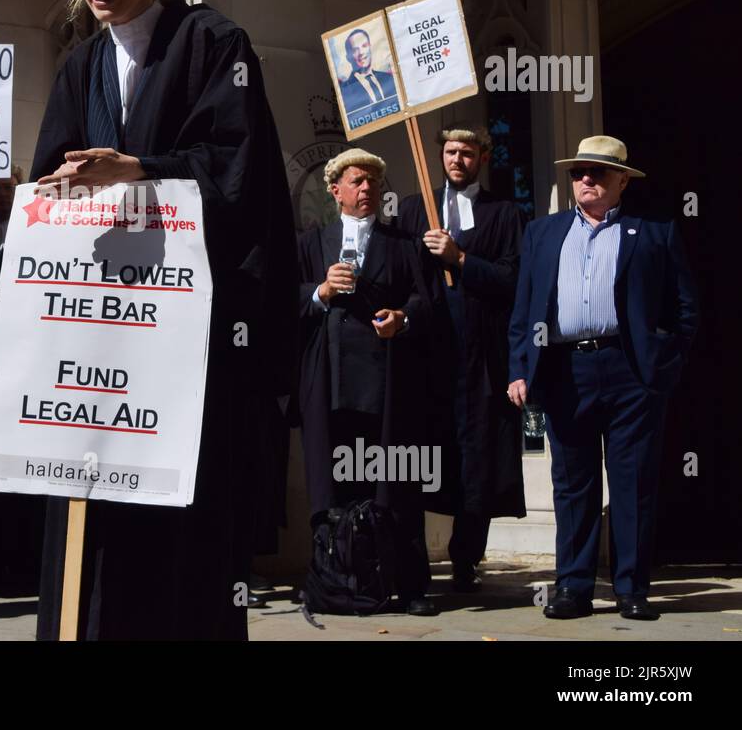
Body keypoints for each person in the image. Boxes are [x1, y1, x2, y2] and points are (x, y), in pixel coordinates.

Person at [31, 0, 297, 639]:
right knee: (93, 523)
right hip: (95, 342)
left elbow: (239, 173)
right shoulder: (80, 67)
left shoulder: (214, 44)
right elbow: (48, 176)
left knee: (179, 527)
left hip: (184, 343)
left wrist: (143, 170)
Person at [509, 136, 697, 621]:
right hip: (564, 368)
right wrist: (519, 368)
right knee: (572, 483)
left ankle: (631, 588)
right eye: (578, 172)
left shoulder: (654, 232)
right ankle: (572, 586)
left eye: (596, 172)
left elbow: (684, 310)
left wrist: (662, 367)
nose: (585, 180)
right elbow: (524, 308)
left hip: (630, 372)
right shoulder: (542, 233)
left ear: (621, 181)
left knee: (632, 481)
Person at [298, 149, 440, 616]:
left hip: (386, 382)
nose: (367, 189)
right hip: (330, 381)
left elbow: (427, 300)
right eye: (357, 181)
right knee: (334, 487)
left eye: (374, 183)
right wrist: (320, 292)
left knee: (395, 480)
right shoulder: (313, 243)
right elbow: (284, 302)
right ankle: (336, 583)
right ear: (334, 189)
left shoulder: (402, 243)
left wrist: (403, 317)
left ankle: (412, 586)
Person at [398, 128, 526, 591]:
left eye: (467, 153)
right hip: (427, 357)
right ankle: (409, 561)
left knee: (479, 460)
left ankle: (466, 557)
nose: (457, 159)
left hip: (482, 360)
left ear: (483, 158)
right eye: (450, 151)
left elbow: (515, 279)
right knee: (422, 456)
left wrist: (462, 258)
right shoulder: (414, 209)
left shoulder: (505, 213)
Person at [338, 28, 398, 115]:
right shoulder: (345, 92)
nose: (361, 52)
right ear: (348, 57)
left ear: (370, 48)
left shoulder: (389, 79)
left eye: (364, 46)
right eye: (355, 50)